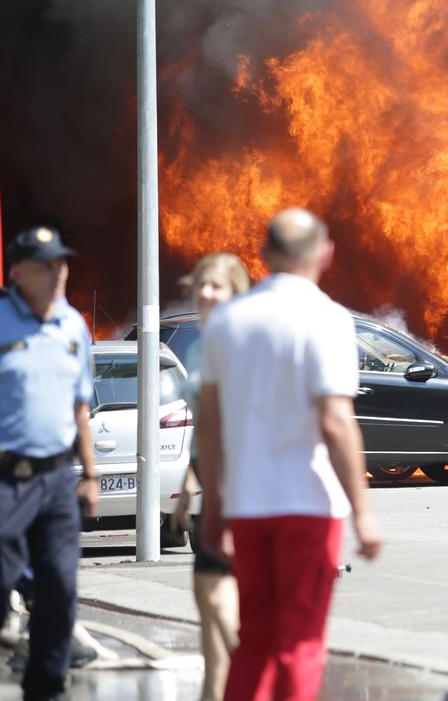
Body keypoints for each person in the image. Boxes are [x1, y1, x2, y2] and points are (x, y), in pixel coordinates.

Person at [198, 208, 382, 701]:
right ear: (326, 254)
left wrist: (213, 509)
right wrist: (363, 512)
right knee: (300, 641)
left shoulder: (226, 323)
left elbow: (209, 427)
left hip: (247, 507)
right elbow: (336, 420)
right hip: (310, 506)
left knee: (254, 638)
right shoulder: (328, 319)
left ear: (263, 254)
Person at [0, 226, 98, 701]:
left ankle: (46, 687)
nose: (57, 272)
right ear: (18, 272)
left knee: (59, 587)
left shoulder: (74, 325)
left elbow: (81, 406)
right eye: (45, 265)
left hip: (58, 479)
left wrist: (91, 474)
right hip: (5, 480)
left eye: (61, 262)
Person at [171, 253, 251, 701]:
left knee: (219, 598)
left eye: (216, 286)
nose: (205, 293)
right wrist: (187, 488)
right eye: (201, 285)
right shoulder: (204, 346)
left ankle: (265, 678)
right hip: (213, 490)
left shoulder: (242, 345)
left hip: (243, 489)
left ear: (236, 292)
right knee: (206, 606)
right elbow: (203, 427)